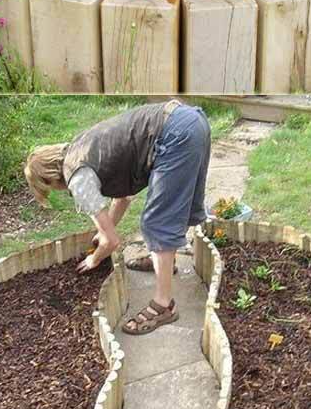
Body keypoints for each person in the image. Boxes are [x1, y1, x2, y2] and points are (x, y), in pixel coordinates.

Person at [24, 100, 211, 336]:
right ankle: (165, 261)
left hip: (176, 133)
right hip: (190, 119)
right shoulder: (81, 147)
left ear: (50, 179)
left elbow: (112, 242)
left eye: (49, 189)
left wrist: (95, 259)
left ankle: (163, 305)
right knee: (174, 206)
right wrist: (105, 228)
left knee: (155, 224)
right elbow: (122, 197)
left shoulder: (78, 179)